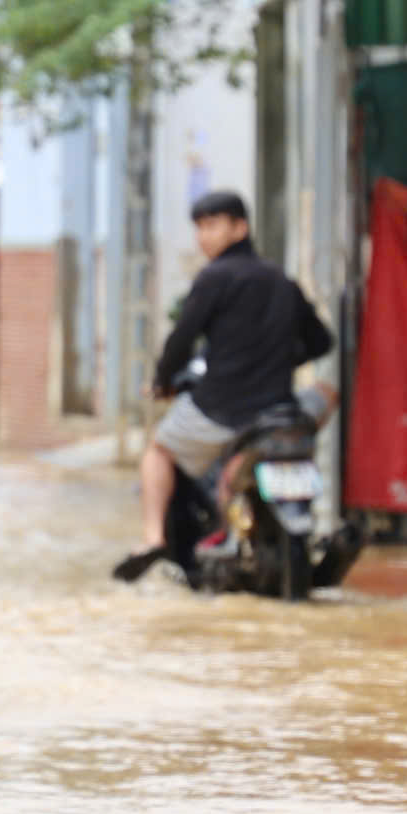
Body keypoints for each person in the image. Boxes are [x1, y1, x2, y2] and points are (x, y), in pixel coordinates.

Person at [114, 190, 337, 581]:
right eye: (200, 227)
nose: (204, 236)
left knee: (158, 451)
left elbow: (181, 339)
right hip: (280, 412)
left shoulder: (214, 277)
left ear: (240, 227)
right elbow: (322, 342)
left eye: (213, 224)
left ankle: (151, 539)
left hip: (222, 411)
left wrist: (162, 380)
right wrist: (283, 360)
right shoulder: (282, 280)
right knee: (327, 393)